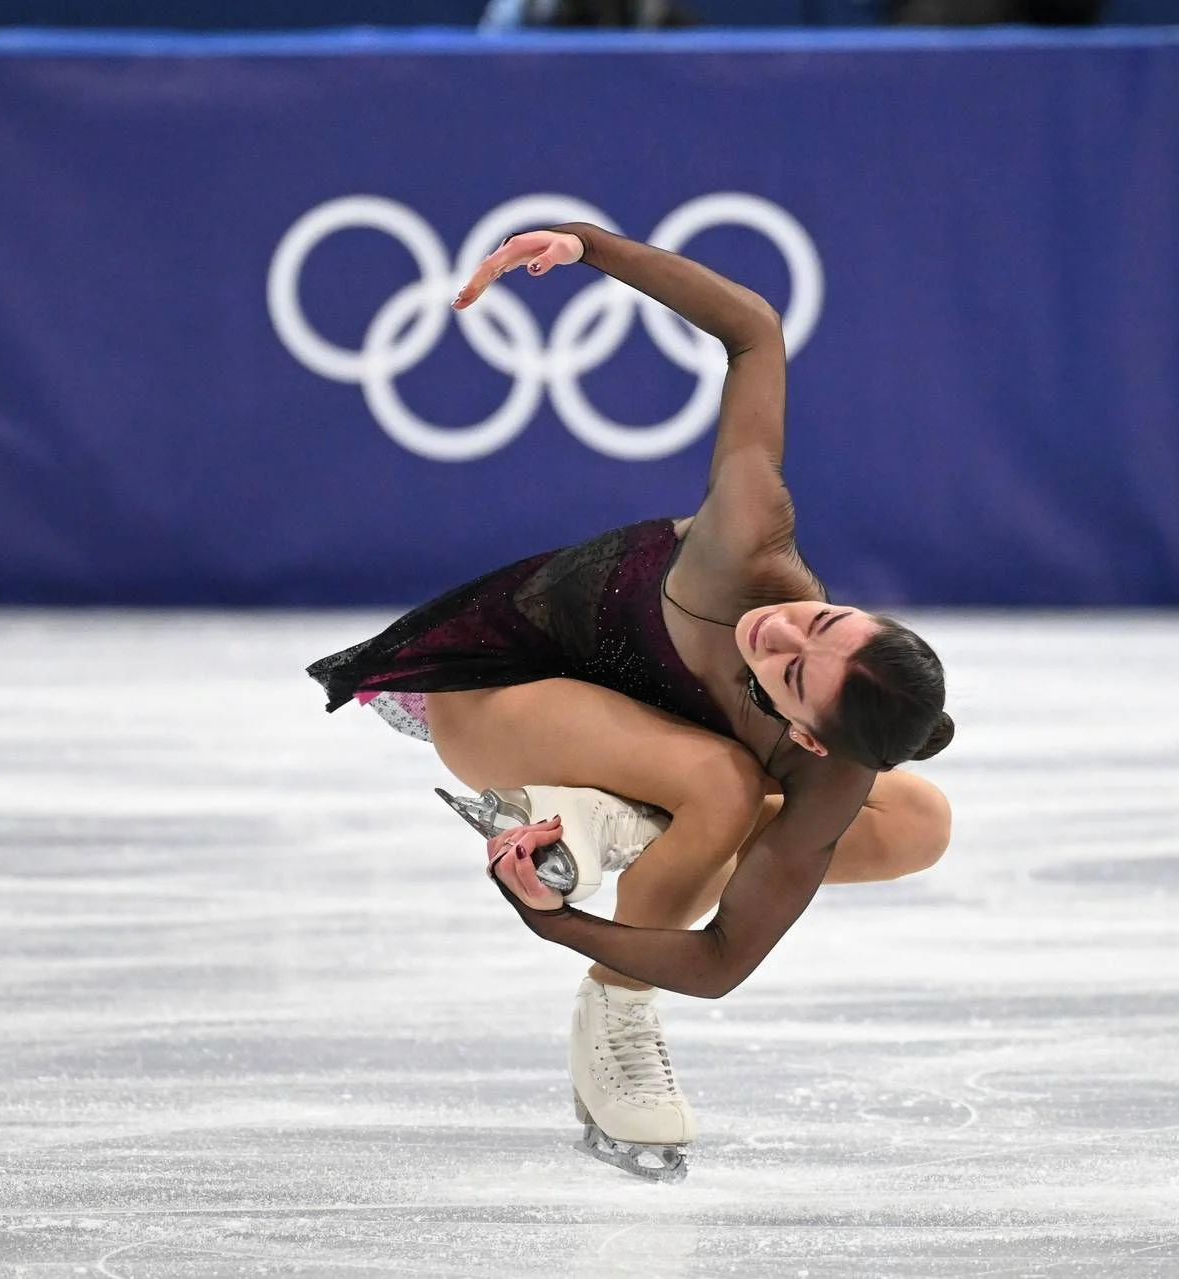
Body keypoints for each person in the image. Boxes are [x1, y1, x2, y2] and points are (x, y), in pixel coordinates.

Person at [308, 222, 955, 1181]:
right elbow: (754, 332)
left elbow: (728, 955)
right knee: (725, 783)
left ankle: (609, 843)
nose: (779, 633)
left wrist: (555, 923)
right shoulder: (750, 541)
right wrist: (584, 248)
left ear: (817, 741)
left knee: (918, 823)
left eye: (793, 675)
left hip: (632, 742)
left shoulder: (834, 775)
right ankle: (620, 979)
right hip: (490, 694)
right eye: (821, 622)